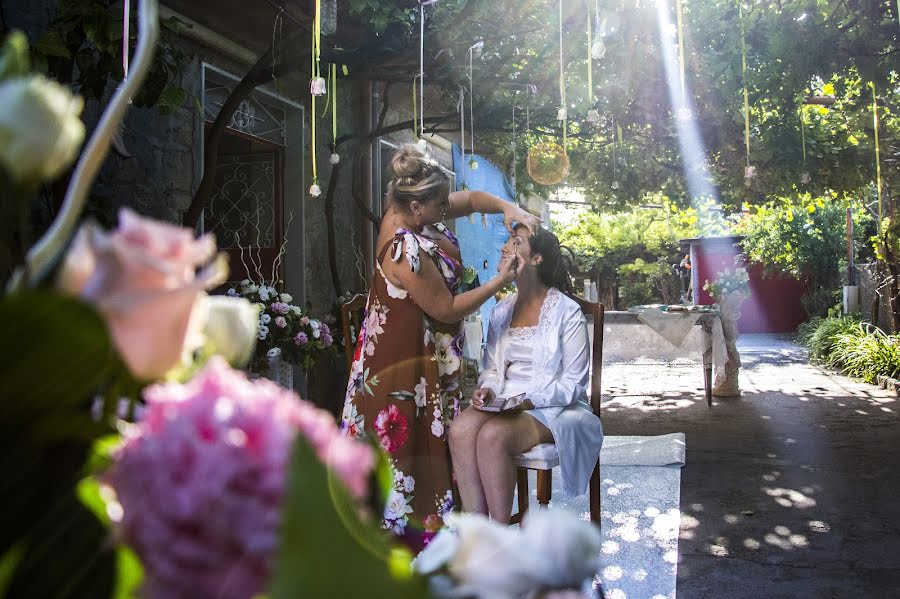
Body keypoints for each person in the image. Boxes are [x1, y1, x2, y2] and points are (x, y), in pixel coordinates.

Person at [340, 144, 538, 550]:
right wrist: (500, 282)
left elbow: (468, 200)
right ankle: (399, 546)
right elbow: (446, 310)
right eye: (437, 205)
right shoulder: (403, 249)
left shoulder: (414, 209)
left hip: (425, 352)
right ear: (416, 209)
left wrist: (507, 207)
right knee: (404, 447)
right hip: (402, 359)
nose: (444, 209)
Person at [448, 225, 604, 523]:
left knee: (493, 437)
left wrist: (528, 401)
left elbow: (573, 383)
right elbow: (492, 368)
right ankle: (479, 534)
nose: (505, 248)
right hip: (507, 399)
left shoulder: (566, 312)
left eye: (515, 242)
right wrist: (489, 390)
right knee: (460, 431)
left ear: (536, 259)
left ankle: (501, 535)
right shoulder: (500, 311)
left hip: (555, 407)